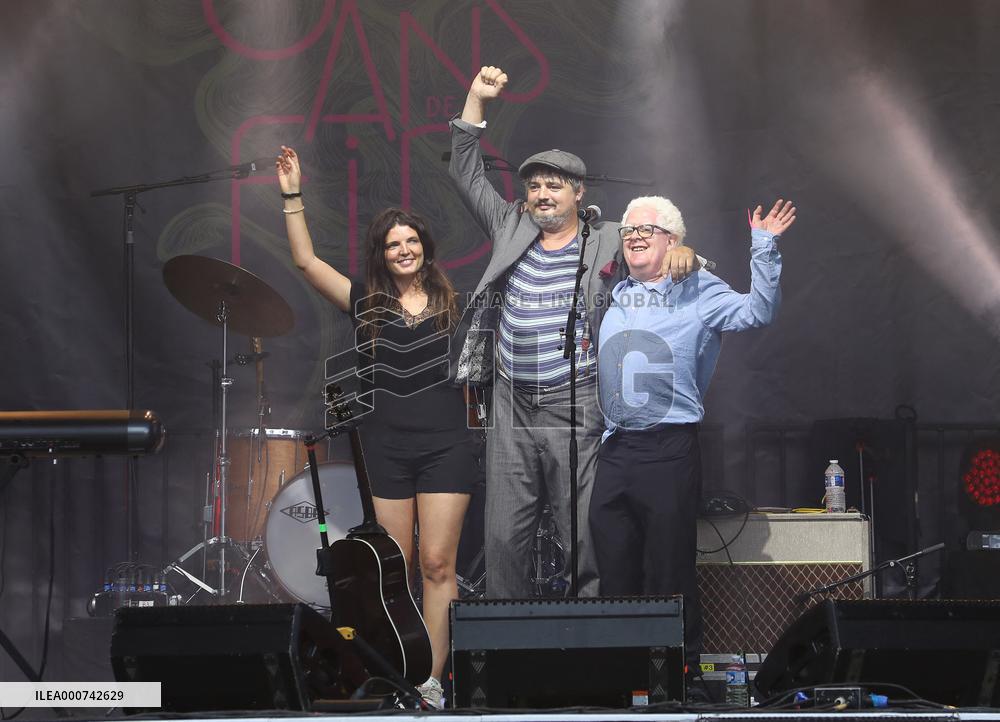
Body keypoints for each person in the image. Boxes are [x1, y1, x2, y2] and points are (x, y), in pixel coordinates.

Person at [448, 66, 700, 598]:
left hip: (579, 399)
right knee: (503, 535)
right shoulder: (510, 224)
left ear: (578, 192)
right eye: (534, 185)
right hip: (512, 399)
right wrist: (475, 100)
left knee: (584, 533)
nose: (542, 194)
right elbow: (466, 172)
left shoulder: (607, 237)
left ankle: (591, 631)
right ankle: (505, 638)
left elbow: (660, 248)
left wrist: (686, 253)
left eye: (554, 185)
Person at [276, 146, 477, 708]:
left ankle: (432, 682)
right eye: (393, 244)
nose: (404, 249)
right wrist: (292, 195)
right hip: (384, 448)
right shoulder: (364, 301)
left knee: (437, 564)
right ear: (382, 255)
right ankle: (394, 677)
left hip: (445, 448)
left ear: (425, 247)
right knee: (394, 571)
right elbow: (306, 262)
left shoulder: (454, 303)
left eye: (411, 240)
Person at [590, 194, 794, 675]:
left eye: (647, 229)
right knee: (614, 571)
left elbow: (758, 311)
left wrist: (763, 246)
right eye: (629, 230)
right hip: (615, 448)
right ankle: (622, 677)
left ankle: (678, 678)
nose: (634, 236)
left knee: (669, 571)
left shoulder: (699, 288)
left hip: (668, 447)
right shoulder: (615, 289)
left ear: (672, 240)